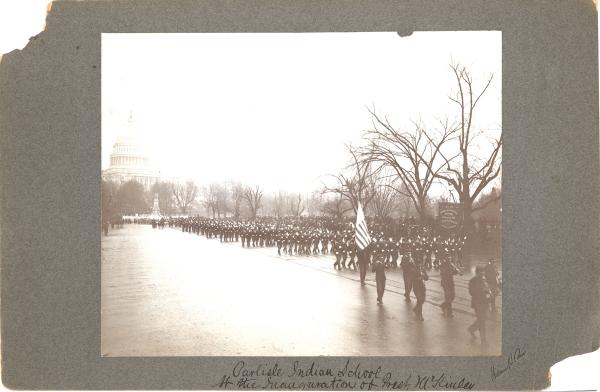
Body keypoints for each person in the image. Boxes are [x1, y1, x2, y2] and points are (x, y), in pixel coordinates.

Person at [468, 265, 491, 345]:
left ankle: (472, 329)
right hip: (477, 303)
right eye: (481, 272)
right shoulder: (472, 281)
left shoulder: (484, 280)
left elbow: (487, 290)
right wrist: (482, 291)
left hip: (485, 303)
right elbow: (471, 292)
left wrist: (489, 293)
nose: (483, 273)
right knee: (482, 322)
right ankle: (483, 341)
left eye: (483, 272)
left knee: (482, 320)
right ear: (477, 272)